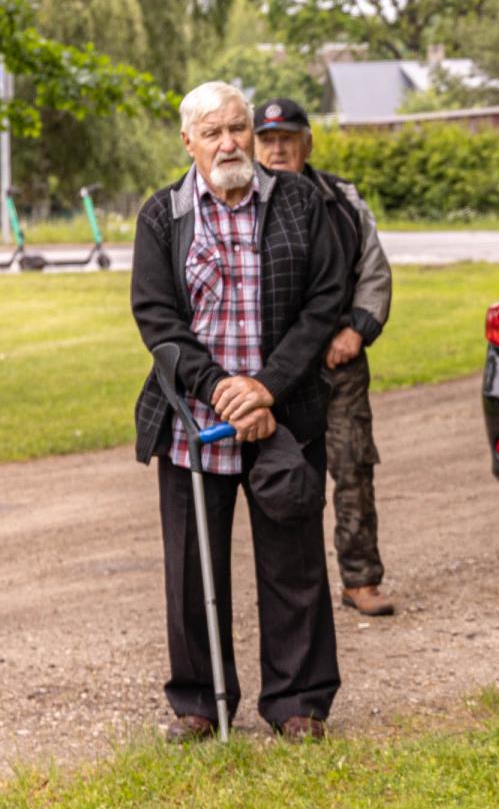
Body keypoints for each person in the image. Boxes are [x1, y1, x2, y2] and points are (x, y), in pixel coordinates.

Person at [131, 81, 346, 741]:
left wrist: (267, 388)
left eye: (238, 128)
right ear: (188, 142)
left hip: (285, 413)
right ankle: (201, 702)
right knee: (193, 568)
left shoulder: (300, 201)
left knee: (295, 562)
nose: (229, 143)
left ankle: (298, 702)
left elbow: (326, 301)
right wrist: (226, 389)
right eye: (213, 132)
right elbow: (158, 318)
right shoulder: (163, 214)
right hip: (194, 421)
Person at [253, 98, 396, 618]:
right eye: (268, 139)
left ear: (307, 143)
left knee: (352, 465)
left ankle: (361, 579)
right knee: (284, 476)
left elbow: (374, 272)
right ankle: (294, 590)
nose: (277, 149)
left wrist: (356, 331)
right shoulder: (241, 203)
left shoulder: (341, 198)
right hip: (272, 372)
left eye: (287, 139)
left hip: (338, 364)